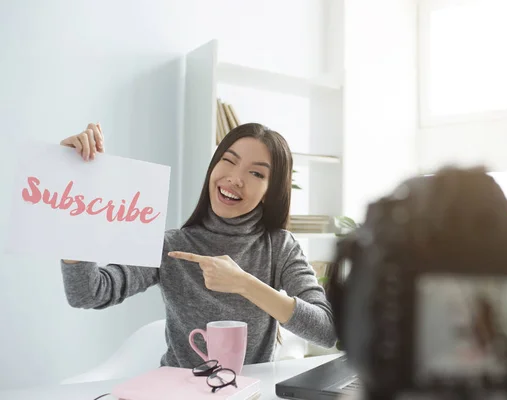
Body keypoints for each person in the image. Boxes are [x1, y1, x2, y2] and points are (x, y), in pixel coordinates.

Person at [59, 122, 337, 368]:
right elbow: (87, 293)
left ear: (270, 191)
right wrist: (82, 191)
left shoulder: (280, 248)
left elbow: (325, 330)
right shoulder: (172, 245)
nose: (235, 178)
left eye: (256, 174)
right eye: (229, 161)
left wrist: (244, 283)